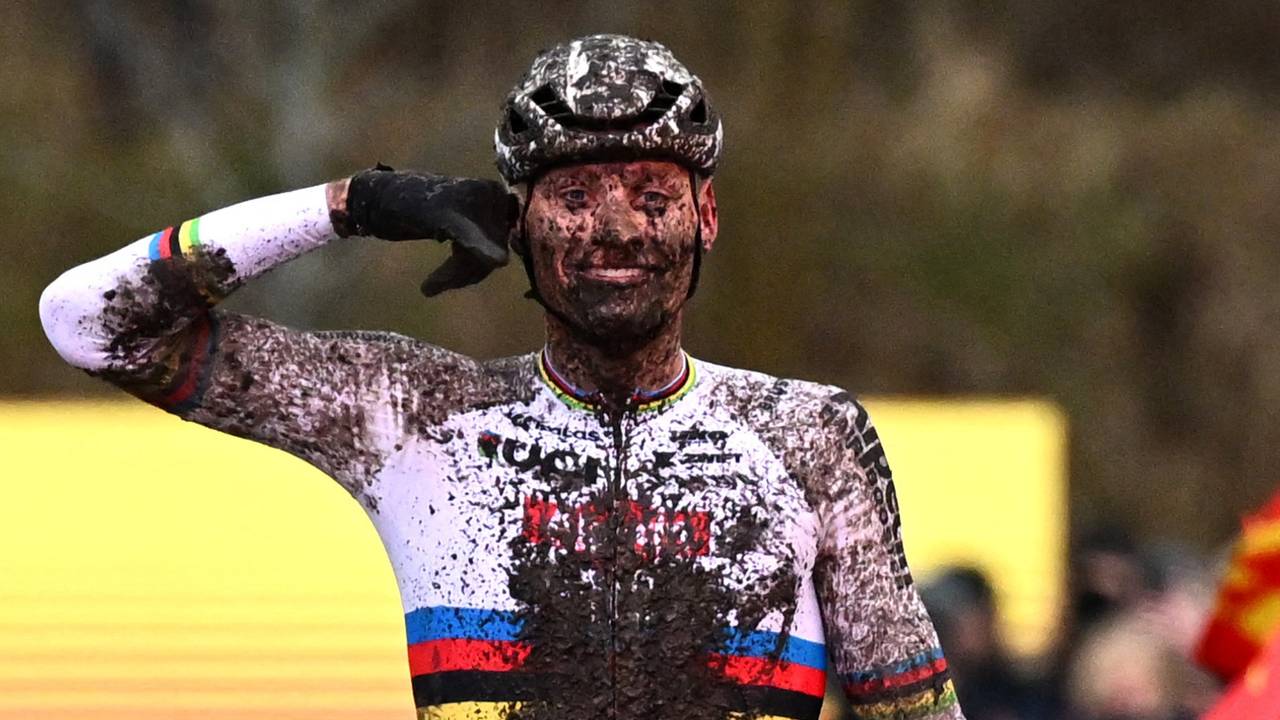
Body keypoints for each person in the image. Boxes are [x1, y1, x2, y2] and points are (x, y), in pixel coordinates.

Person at [39, 34, 964, 720]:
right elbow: (88, 321)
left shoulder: (809, 436)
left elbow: (916, 715)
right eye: (570, 197)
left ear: (707, 214)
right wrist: (356, 204)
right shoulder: (412, 415)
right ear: (516, 222)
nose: (614, 229)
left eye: (652, 196)